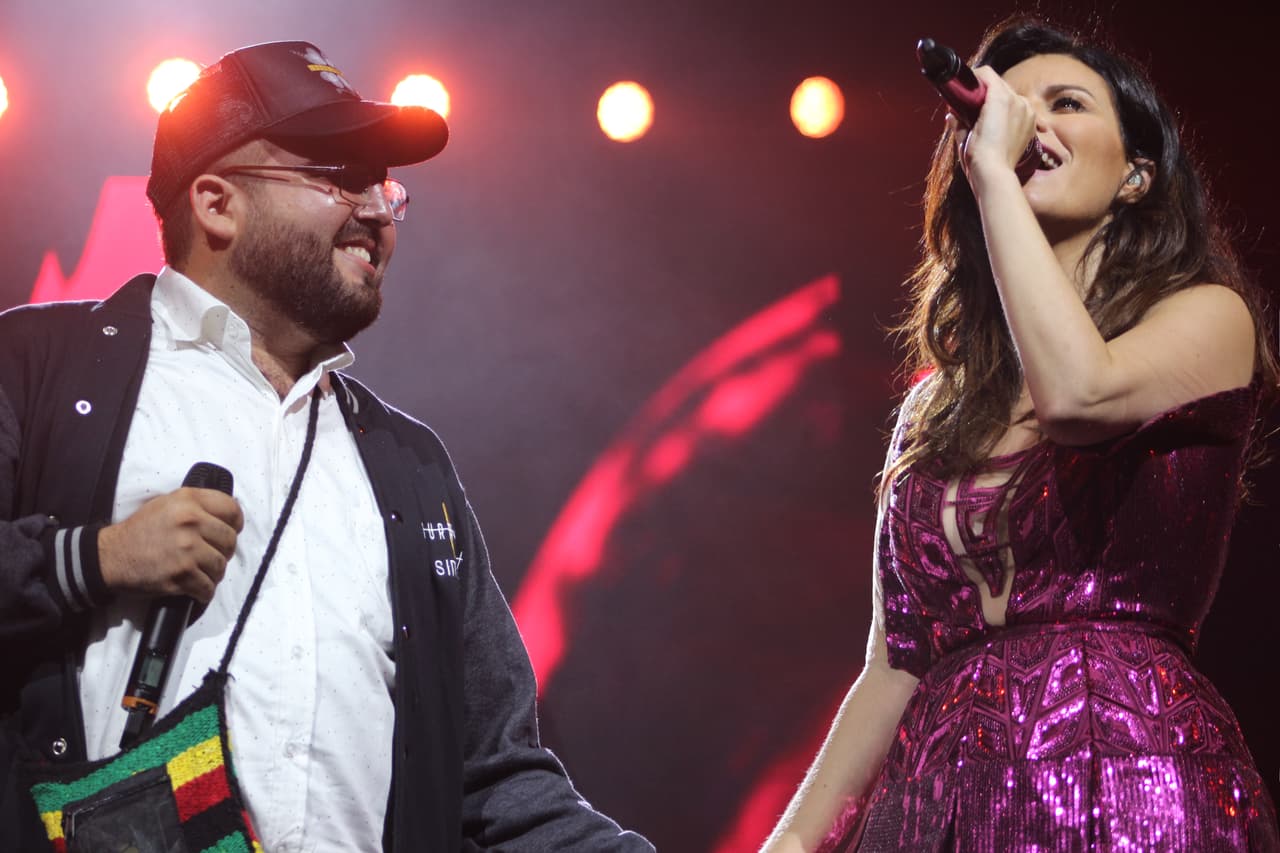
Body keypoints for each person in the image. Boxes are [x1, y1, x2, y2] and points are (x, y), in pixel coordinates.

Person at [0, 40, 654, 852]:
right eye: (337, 177)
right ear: (215, 203)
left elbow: (497, 776)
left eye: (383, 184)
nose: (378, 209)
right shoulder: (37, 369)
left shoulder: (409, 466)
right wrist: (91, 560)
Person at [763, 15, 1280, 852]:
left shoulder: (1208, 318)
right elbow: (892, 665)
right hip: (941, 804)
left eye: (1066, 103)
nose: (1029, 120)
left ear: (1138, 176)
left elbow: (1079, 393)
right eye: (1009, 105)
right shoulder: (936, 406)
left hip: (1127, 784)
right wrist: (786, 846)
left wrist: (999, 178)